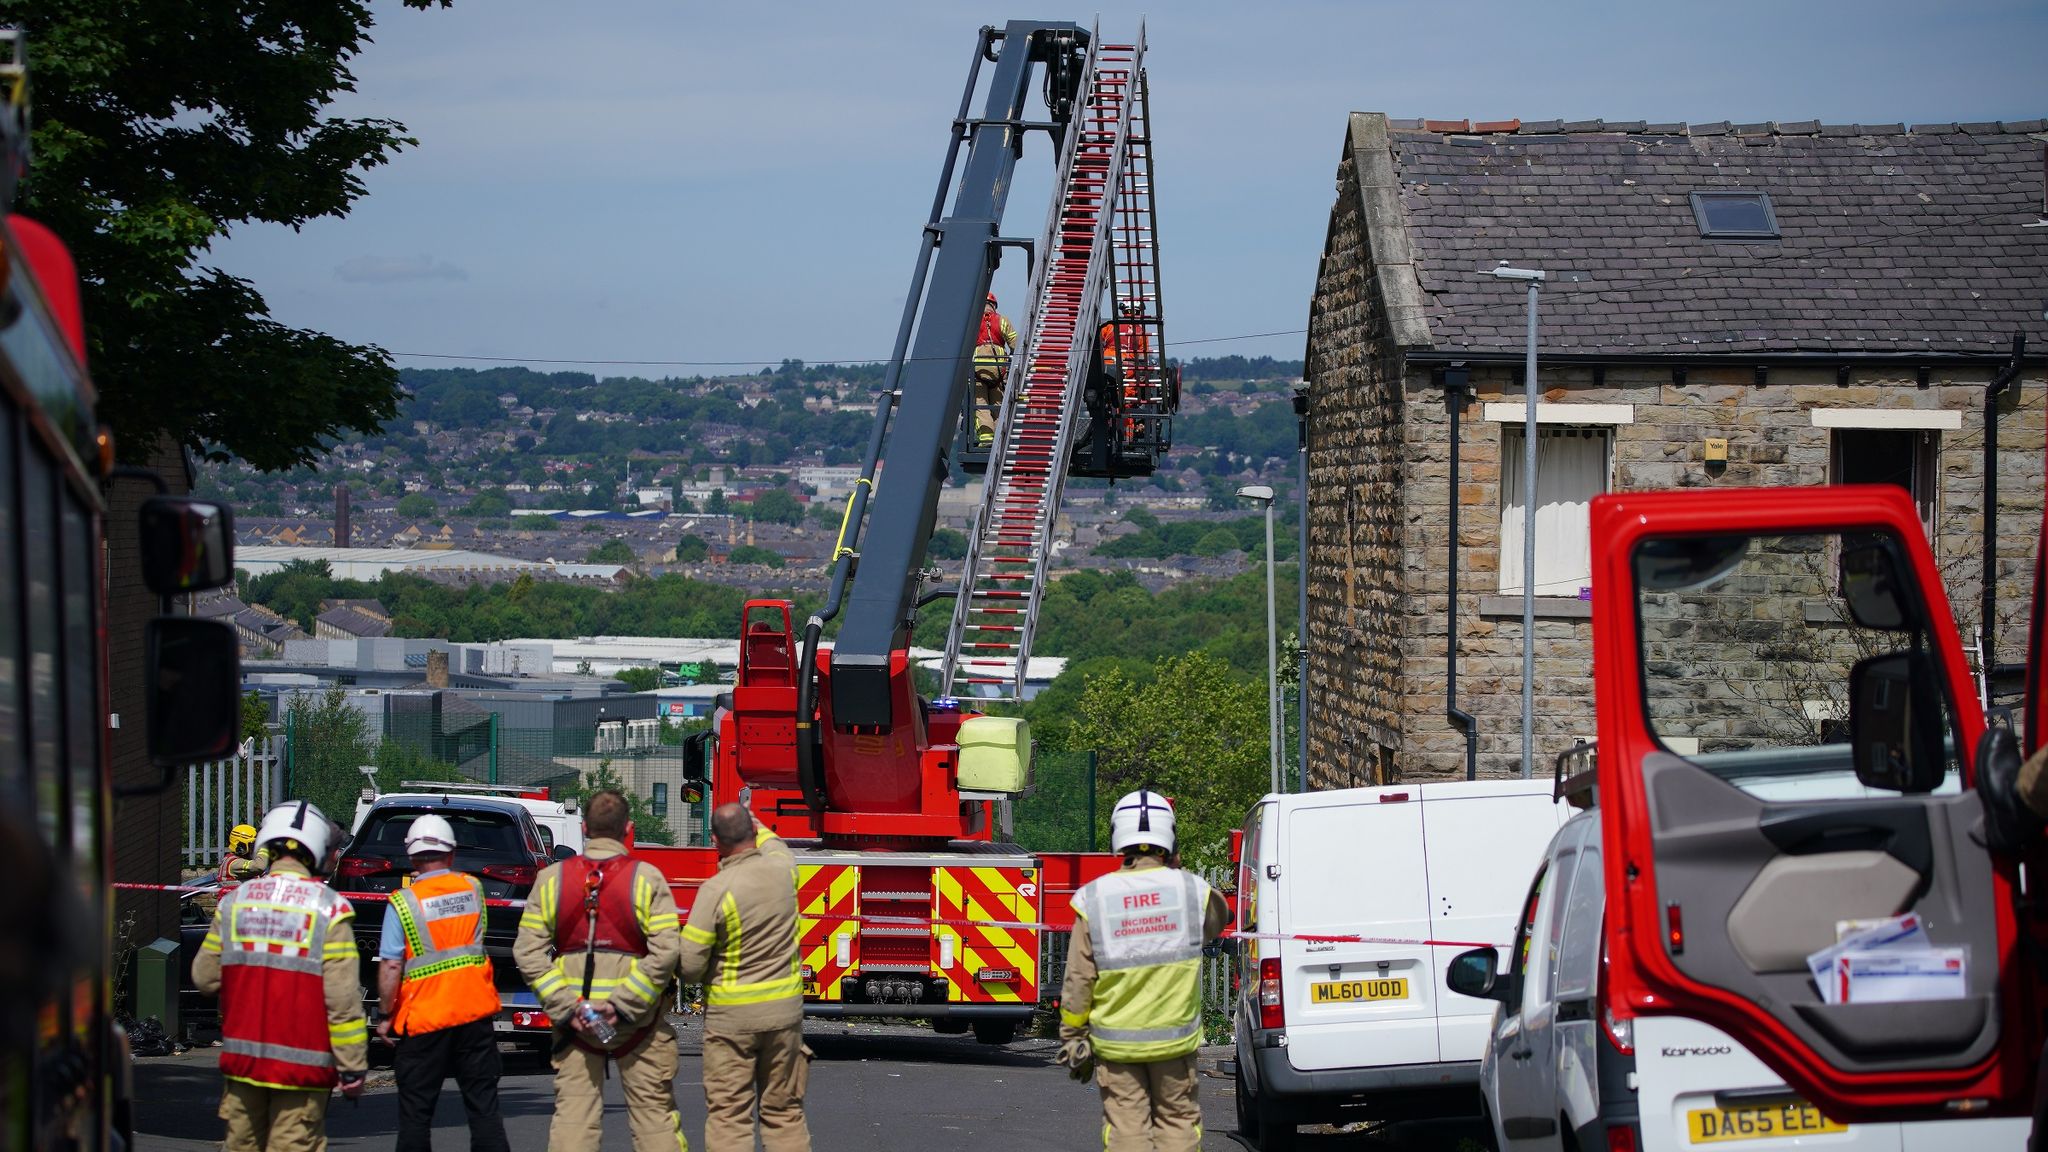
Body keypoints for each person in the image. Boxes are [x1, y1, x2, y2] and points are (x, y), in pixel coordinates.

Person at [1057, 789, 1229, 1152]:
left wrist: (1073, 1035)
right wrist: (1177, 869)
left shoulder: (1095, 898)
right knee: (1178, 1122)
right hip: (1174, 1043)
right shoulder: (1191, 891)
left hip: (1117, 1044)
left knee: (1125, 1129)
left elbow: (1078, 978)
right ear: (1170, 838)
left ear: (1118, 837)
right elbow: (1219, 919)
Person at [514, 789, 685, 1152]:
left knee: (574, 1121)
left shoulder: (552, 879)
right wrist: (622, 1004)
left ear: (585, 828)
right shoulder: (647, 878)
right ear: (628, 829)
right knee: (654, 1119)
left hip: (575, 1022)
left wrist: (566, 1007)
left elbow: (528, 952)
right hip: (637, 1022)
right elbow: (667, 951)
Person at [193, 801, 368, 1152]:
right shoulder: (330, 909)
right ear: (317, 849)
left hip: (244, 1068)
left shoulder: (234, 904)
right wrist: (352, 1066)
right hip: (302, 1072)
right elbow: (343, 1002)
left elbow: (204, 978)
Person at [679, 803, 810, 1152]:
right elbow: (776, 846)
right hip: (784, 1015)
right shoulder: (783, 871)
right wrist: (758, 823)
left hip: (732, 1021)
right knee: (784, 1113)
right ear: (752, 834)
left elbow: (690, 965)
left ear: (714, 841)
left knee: (729, 1115)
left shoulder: (715, 890)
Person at [376, 813, 509, 1152]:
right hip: (474, 1013)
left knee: (416, 1115)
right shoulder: (473, 888)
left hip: (424, 1019)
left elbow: (392, 966)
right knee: (484, 1109)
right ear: (451, 853)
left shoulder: (403, 902)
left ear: (411, 857)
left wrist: (385, 1014)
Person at [1097, 299, 1152, 440]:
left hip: (1107, 366)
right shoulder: (1141, 332)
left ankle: (1107, 432)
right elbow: (1142, 358)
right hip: (1128, 372)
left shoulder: (1109, 327)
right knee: (1126, 405)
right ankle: (1126, 439)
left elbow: (1098, 343)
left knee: (1104, 402)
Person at [972, 291, 1019, 446]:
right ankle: (1000, 438)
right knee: (998, 404)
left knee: (980, 403)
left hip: (978, 370)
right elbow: (1015, 344)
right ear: (994, 305)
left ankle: (986, 438)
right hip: (999, 370)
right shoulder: (1002, 321)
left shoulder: (973, 320)